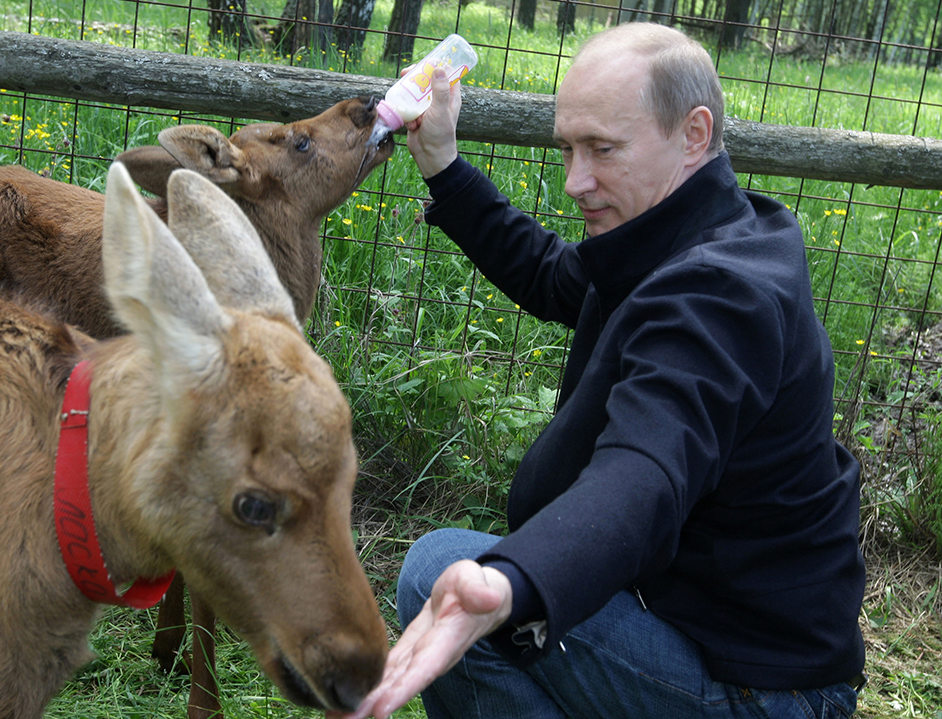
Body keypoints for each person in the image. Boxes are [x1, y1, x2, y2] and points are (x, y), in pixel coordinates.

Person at [335, 21, 867, 719]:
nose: (574, 181)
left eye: (602, 149)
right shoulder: (681, 231)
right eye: (567, 148)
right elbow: (556, 276)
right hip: (710, 623)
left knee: (439, 567)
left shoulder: (721, 296)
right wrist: (442, 162)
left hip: (761, 689)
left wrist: (518, 579)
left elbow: (644, 471)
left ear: (694, 134)